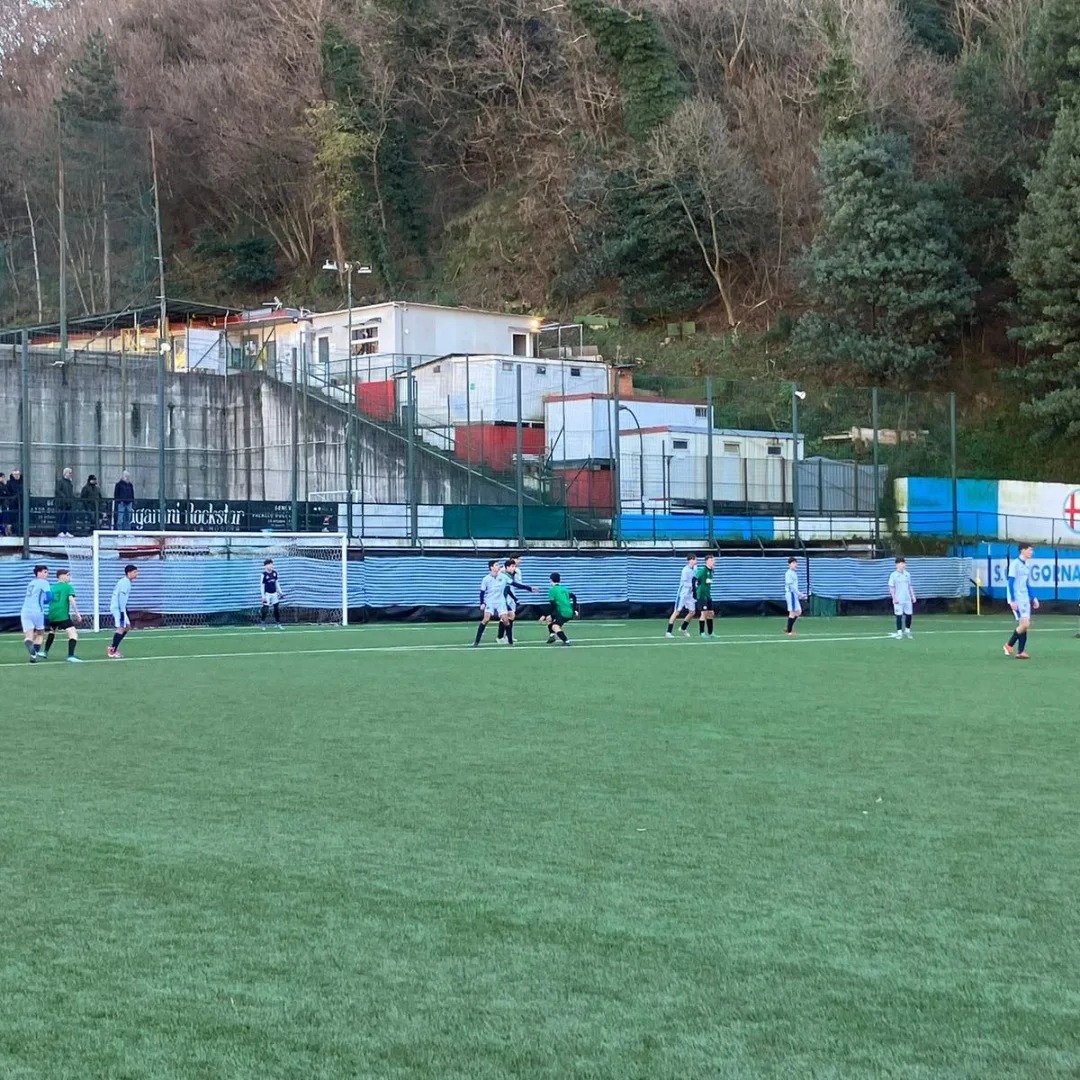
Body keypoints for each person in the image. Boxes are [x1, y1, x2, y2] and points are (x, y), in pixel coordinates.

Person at [1004, 543, 1038, 660]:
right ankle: (1009, 645)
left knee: (1024, 625)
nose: (1031, 552)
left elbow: (1027, 583)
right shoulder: (1015, 564)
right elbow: (1010, 582)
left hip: (1025, 597)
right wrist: (1012, 600)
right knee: (1025, 624)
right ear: (1022, 550)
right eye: (1030, 550)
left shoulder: (1027, 565)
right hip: (1017, 598)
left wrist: (1033, 597)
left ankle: (1021, 651)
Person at [43, 567, 83, 662]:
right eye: (68, 575)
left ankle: (45, 652)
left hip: (52, 614)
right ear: (62, 576)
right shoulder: (68, 587)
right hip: (62, 615)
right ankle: (71, 655)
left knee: (52, 631)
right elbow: (71, 600)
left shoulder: (52, 587)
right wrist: (77, 613)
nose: (70, 577)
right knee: (73, 633)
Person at [21, 564, 51, 663]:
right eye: (45, 572)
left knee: (28, 636)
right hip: (37, 611)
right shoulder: (44, 582)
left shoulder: (31, 583)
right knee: (40, 633)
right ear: (39, 573)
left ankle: (29, 644)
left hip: (25, 611)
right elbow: (49, 597)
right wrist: (45, 601)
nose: (47, 574)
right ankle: (34, 654)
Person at [108, 563, 138, 659]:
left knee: (127, 627)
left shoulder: (126, 582)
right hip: (118, 608)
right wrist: (122, 611)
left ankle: (113, 647)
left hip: (121, 608)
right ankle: (113, 650)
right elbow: (121, 597)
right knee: (121, 627)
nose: (136, 574)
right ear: (129, 573)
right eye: (135, 572)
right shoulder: (125, 582)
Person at [472, 559, 504, 647]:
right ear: (491, 567)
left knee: (505, 618)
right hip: (490, 602)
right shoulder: (486, 579)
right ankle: (477, 641)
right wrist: (482, 603)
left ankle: (503, 637)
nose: (498, 566)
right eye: (496, 565)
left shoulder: (502, 576)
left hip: (500, 602)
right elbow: (482, 592)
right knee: (486, 619)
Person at [666, 554, 698, 638]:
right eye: (695, 559)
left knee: (692, 612)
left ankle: (683, 628)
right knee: (677, 612)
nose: (696, 561)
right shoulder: (685, 570)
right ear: (690, 560)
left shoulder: (695, 568)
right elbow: (684, 583)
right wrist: (693, 585)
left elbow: (696, 578)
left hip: (690, 594)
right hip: (683, 594)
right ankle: (668, 632)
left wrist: (696, 585)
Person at [544, 572, 578, 646]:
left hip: (562, 612)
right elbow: (574, 596)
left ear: (551, 580)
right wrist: (575, 609)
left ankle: (566, 641)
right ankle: (552, 636)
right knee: (549, 620)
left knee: (555, 626)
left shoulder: (552, 590)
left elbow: (553, 605)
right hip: (569, 612)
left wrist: (550, 614)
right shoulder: (564, 589)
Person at [888, 556, 916, 638]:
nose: (903, 565)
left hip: (907, 599)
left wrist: (913, 596)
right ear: (897, 565)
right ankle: (899, 632)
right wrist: (894, 597)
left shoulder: (907, 574)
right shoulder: (893, 575)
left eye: (904, 563)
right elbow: (891, 587)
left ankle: (907, 630)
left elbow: (910, 586)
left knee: (909, 615)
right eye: (901, 563)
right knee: (899, 615)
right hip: (898, 599)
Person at [694, 554, 716, 640]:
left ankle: (711, 633)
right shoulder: (703, 570)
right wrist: (695, 591)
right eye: (711, 560)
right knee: (704, 613)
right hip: (702, 595)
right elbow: (694, 579)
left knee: (711, 613)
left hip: (708, 595)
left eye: (713, 560)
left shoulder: (711, 571)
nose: (713, 562)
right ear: (706, 561)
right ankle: (702, 632)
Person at [784, 556, 806, 637]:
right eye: (793, 563)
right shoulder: (788, 573)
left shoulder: (794, 573)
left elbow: (795, 586)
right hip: (791, 594)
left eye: (796, 563)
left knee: (798, 611)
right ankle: (789, 632)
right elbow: (791, 586)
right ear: (789, 564)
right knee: (792, 612)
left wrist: (798, 594)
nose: (795, 565)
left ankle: (788, 627)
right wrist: (799, 594)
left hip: (794, 594)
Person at [259, 558, 284, 629]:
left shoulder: (274, 573)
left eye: (271, 564)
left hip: (274, 593)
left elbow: (277, 583)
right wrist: (263, 596)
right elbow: (262, 586)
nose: (271, 566)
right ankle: (263, 622)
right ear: (265, 566)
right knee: (266, 609)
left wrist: (280, 592)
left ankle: (278, 623)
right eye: (269, 564)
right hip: (267, 594)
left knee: (276, 609)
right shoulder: (263, 575)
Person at [55, 467, 75, 537]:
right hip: (62, 503)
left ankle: (66, 531)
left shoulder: (70, 483)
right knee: (61, 517)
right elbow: (58, 490)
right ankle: (61, 531)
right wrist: (64, 497)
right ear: (65, 473)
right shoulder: (60, 481)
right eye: (70, 473)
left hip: (68, 503)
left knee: (67, 517)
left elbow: (70, 492)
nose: (71, 474)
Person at [6, 467, 24, 536]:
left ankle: (20, 531)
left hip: (21, 503)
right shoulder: (9, 483)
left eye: (18, 474)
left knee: (20, 518)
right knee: (12, 518)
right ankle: (12, 531)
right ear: (12, 475)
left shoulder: (23, 482)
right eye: (15, 474)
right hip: (13, 503)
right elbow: (8, 492)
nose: (17, 476)